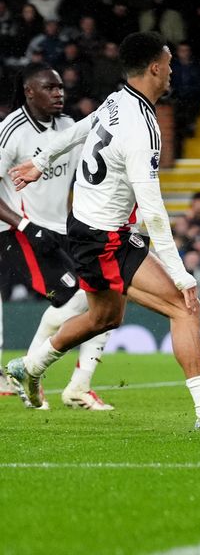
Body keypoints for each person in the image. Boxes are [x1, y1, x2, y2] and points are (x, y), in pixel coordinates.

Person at [6, 31, 200, 432]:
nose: (172, 72)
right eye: (169, 65)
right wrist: (179, 271)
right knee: (185, 306)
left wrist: (40, 159)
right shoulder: (143, 126)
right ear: (155, 67)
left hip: (85, 227)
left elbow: (79, 129)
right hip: (106, 236)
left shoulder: (118, 99)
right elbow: (153, 212)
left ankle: (28, 366)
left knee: (103, 317)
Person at [0, 63, 113, 410]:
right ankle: (29, 368)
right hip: (20, 232)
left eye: (61, 87)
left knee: (105, 297)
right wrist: (24, 226)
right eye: (49, 88)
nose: (58, 93)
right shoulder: (11, 131)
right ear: (29, 92)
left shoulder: (68, 128)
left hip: (63, 229)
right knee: (73, 299)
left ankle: (79, 386)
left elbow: (86, 175)